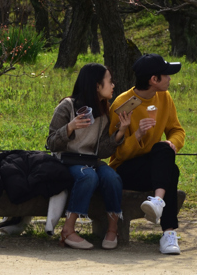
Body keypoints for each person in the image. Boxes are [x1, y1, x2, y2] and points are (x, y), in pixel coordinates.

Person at [46, 63, 132, 250]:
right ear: (96, 85)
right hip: (67, 160)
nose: (113, 85)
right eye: (109, 81)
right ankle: (68, 230)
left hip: (90, 160)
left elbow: (101, 151)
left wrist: (120, 132)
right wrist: (70, 127)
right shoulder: (66, 106)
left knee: (112, 178)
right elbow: (51, 142)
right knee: (87, 176)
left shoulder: (103, 111)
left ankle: (112, 229)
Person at [109, 53, 187, 255]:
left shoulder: (165, 97)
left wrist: (172, 143)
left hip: (154, 165)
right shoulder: (122, 104)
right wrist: (137, 134)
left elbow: (177, 130)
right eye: (166, 75)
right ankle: (168, 233)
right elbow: (116, 151)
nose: (170, 78)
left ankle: (159, 206)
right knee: (172, 171)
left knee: (164, 151)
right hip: (124, 170)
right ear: (154, 80)